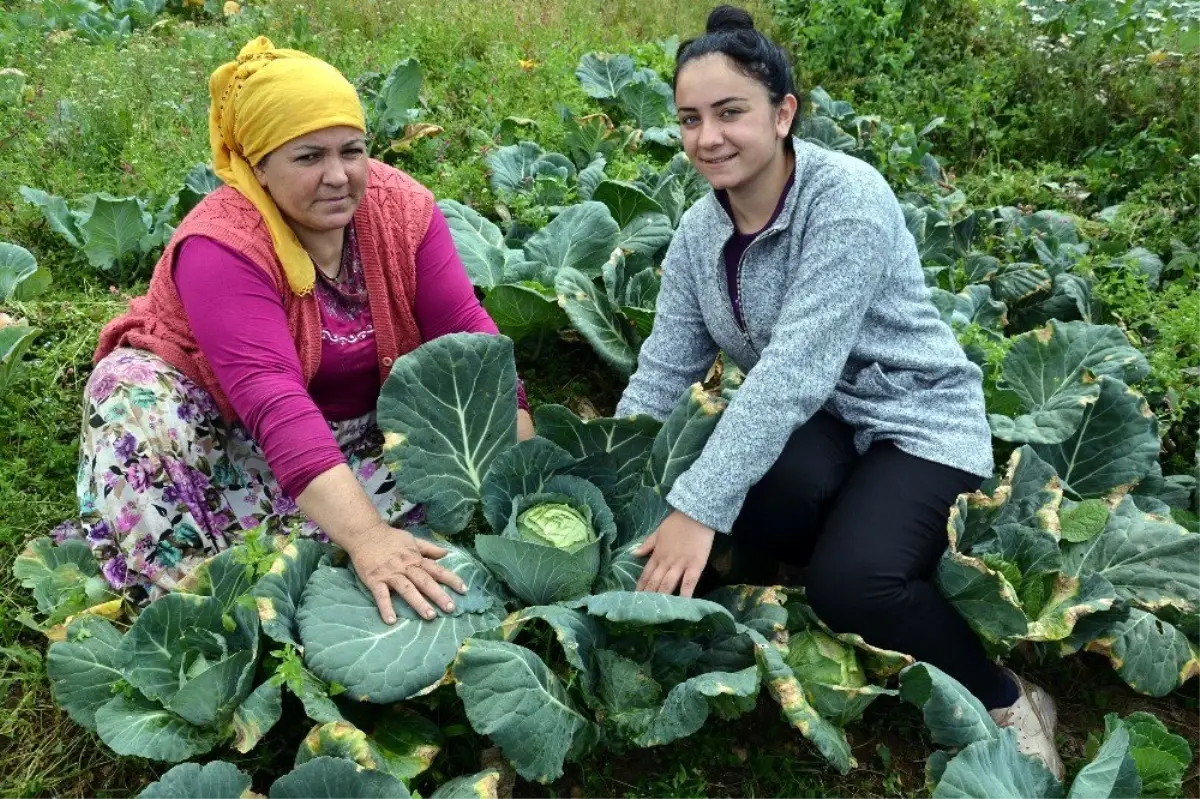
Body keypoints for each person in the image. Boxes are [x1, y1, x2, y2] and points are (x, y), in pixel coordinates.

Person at [618, 5, 1063, 778]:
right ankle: (863, 532)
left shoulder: (844, 198)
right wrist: (614, 477)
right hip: (823, 424)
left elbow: (792, 369)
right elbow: (665, 367)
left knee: (851, 583)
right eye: (690, 119)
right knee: (738, 500)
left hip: (915, 420)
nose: (707, 137)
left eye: (730, 113)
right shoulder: (698, 231)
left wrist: (695, 509)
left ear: (783, 113)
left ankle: (1007, 697)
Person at [60, 37, 534, 626]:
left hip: (357, 439)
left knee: (446, 503)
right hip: (224, 433)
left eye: (352, 150)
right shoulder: (221, 244)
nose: (338, 176)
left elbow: (473, 340)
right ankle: (197, 604)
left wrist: (523, 477)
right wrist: (367, 538)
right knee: (128, 390)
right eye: (308, 157)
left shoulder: (403, 210)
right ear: (257, 166)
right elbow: (272, 399)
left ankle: (311, 539)